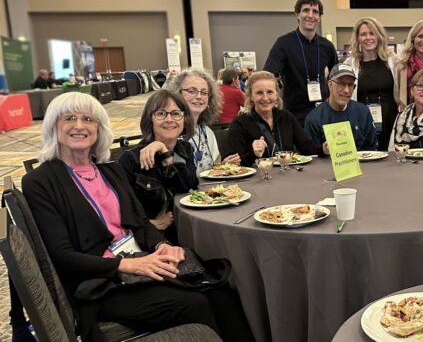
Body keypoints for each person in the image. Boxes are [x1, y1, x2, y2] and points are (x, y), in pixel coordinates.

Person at [21, 92, 253, 342]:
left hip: (141, 261)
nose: (79, 125)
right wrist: (126, 265)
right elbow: (62, 256)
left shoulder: (110, 169)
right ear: (53, 126)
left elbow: (140, 222)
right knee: (194, 302)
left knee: (219, 288)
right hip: (102, 282)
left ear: (98, 128)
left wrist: (162, 245)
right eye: (69, 118)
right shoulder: (40, 181)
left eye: (88, 119)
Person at [118, 90, 198, 240]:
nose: (169, 119)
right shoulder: (131, 159)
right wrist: (150, 225)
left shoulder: (185, 148)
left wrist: (165, 153)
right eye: (161, 113)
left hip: (186, 228)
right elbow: (122, 209)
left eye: (176, 113)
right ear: (150, 119)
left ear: (184, 119)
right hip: (152, 238)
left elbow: (188, 186)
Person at [264, 0, 338, 124]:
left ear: (319, 17)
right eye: (305, 10)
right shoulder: (283, 43)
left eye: (315, 11)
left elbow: (336, 76)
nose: (310, 15)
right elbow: (268, 75)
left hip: (323, 113)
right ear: (297, 14)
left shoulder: (327, 46)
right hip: (294, 115)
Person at [226, 71, 326, 167]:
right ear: (250, 96)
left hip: (288, 177)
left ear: (276, 94)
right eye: (259, 93)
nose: (265, 98)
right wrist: (253, 153)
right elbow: (234, 164)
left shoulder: (286, 117)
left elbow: (306, 147)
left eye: (270, 92)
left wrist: (324, 149)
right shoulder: (240, 123)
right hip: (258, 180)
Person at [165, 68, 240, 172]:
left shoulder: (207, 132)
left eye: (204, 92)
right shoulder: (169, 131)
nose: (199, 96)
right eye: (192, 91)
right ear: (177, 94)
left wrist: (224, 166)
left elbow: (212, 170)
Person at [343, 17, 399, 151]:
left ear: (379, 36)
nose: (368, 37)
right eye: (363, 34)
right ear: (357, 38)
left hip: (389, 121)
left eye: (372, 33)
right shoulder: (350, 64)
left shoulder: (393, 61)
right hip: (361, 122)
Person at [304, 63, 377, 150]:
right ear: (330, 85)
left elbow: (372, 150)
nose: (346, 90)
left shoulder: (363, 112)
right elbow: (312, 157)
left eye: (350, 85)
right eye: (341, 84)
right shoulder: (314, 119)